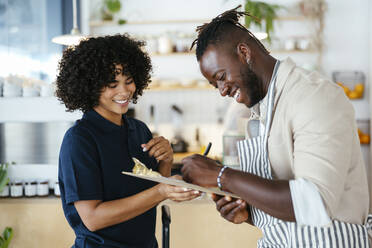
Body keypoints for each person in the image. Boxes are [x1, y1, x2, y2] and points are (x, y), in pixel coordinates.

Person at [181, 6, 372, 247]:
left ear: (244, 53)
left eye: (220, 77)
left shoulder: (313, 96)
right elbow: (285, 206)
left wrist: (221, 175)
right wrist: (249, 213)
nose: (222, 91)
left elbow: (315, 204)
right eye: (214, 85)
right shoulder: (264, 111)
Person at [56, 34, 200, 248]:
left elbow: (154, 188)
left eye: (129, 81)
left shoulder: (139, 130)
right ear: (90, 86)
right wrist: (161, 190)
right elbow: (93, 218)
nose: (124, 91)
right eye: (112, 84)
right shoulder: (80, 140)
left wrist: (166, 162)